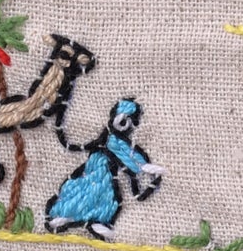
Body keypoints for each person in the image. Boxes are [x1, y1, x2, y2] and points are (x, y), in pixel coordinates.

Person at [45, 98, 164, 239]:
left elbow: (130, 157)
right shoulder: (113, 139)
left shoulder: (113, 138)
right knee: (88, 192)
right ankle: (68, 216)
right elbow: (130, 157)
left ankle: (92, 221)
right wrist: (145, 168)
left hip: (104, 174)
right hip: (96, 170)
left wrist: (144, 168)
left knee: (102, 196)